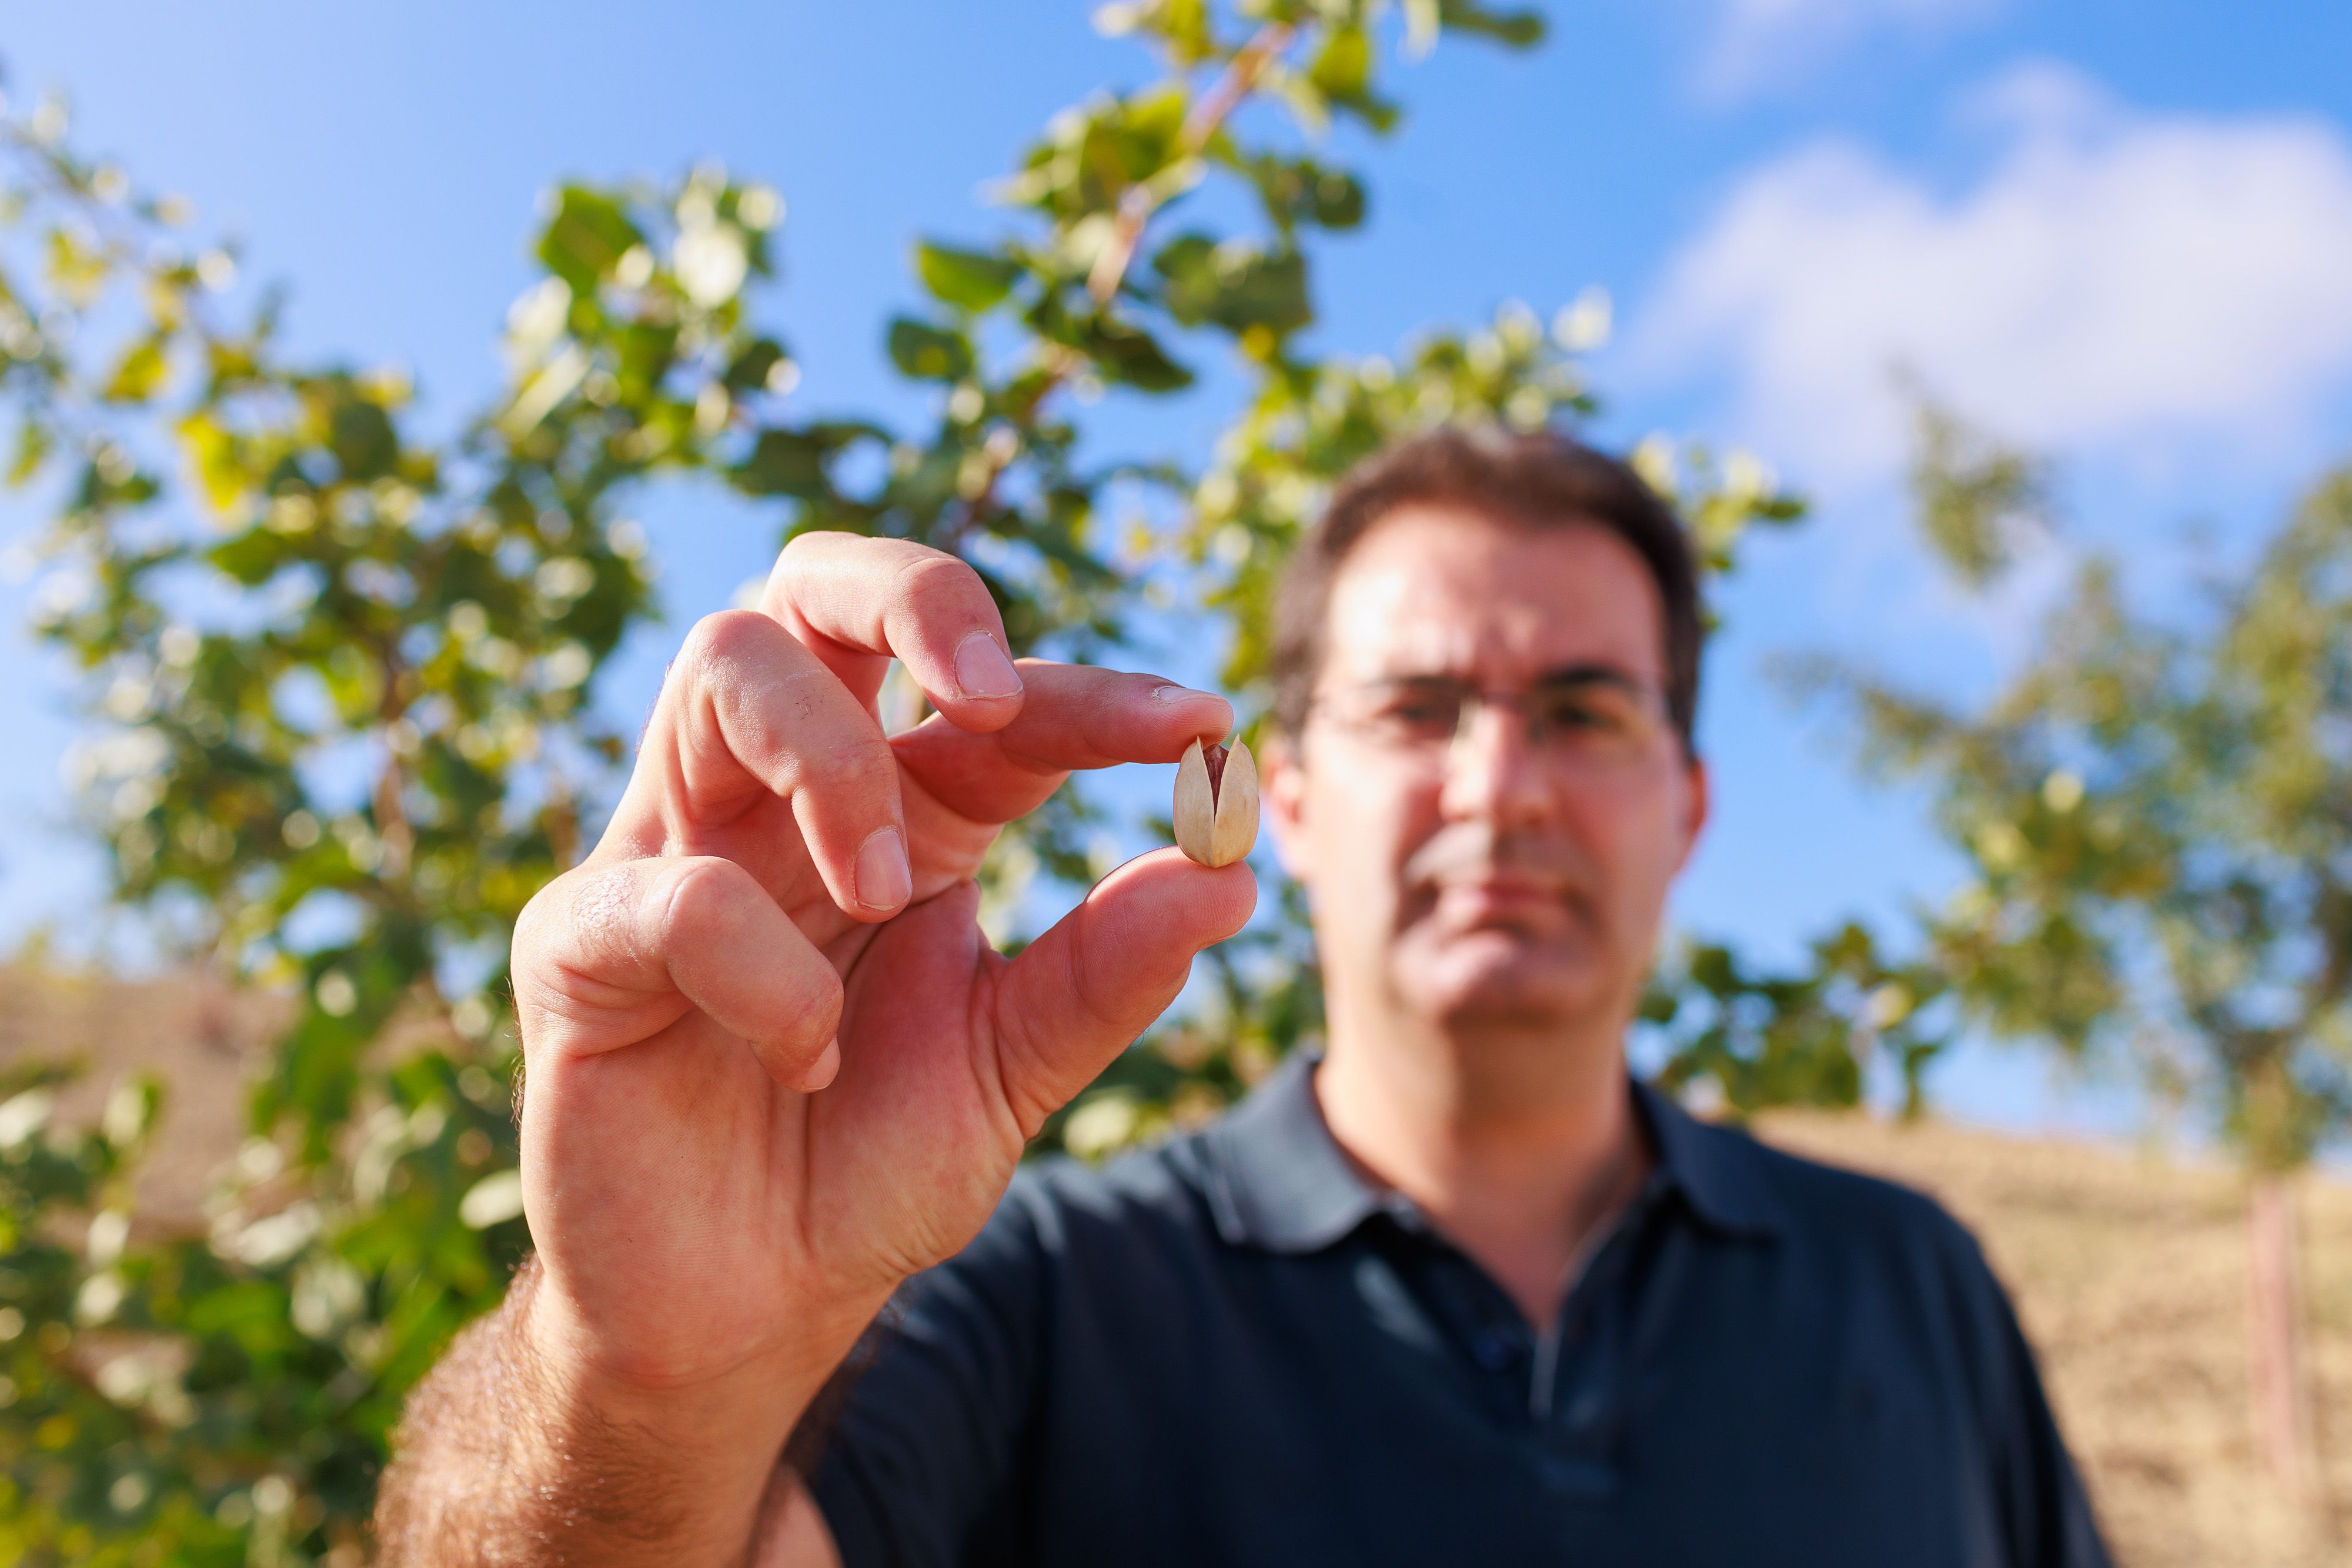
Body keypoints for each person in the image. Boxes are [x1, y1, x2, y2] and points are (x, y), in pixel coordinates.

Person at [374, 427, 2112, 1567]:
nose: (1500, 784)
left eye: (1585, 709)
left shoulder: (1919, 1289)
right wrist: (644, 1384)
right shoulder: (1036, 1292)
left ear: (1690, 803)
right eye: (1418, 707)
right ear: (1284, 798)